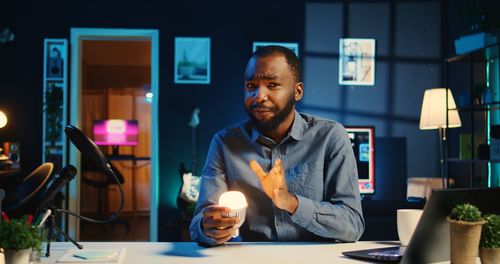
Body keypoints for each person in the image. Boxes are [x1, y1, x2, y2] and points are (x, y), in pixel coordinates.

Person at [189, 45, 364, 246]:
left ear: (297, 91)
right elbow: (199, 224)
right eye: (251, 86)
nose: (259, 96)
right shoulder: (224, 142)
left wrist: (290, 202)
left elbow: (352, 225)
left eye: (272, 85)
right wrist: (208, 227)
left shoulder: (331, 136)